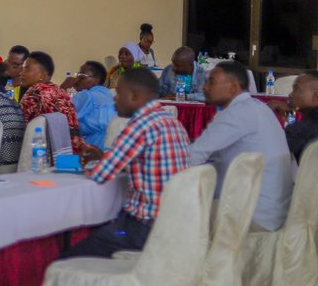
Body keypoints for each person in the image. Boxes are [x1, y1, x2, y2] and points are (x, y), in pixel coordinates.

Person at [68, 68, 191, 257]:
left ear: (134, 96)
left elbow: (101, 174)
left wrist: (90, 164)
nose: (114, 99)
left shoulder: (139, 126)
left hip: (142, 227)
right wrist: (103, 157)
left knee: (72, 256)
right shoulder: (172, 122)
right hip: (173, 222)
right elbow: (141, 162)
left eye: (119, 93)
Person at [190, 60, 294, 231]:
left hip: (253, 216)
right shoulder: (258, 108)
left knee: (180, 212)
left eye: (211, 82)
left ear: (233, 87)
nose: (204, 87)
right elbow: (213, 154)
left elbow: (193, 156)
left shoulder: (236, 113)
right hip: (271, 212)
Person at [19, 51, 86, 155]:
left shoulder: (35, 91)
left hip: (47, 155)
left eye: (27, 69)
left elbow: (20, 124)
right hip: (72, 152)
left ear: (42, 75)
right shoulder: (60, 91)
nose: (21, 73)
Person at [65, 61, 117, 149]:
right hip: (112, 146)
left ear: (96, 79)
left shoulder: (86, 95)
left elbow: (59, 112)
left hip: (95, 148)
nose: (77, 79)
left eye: (81, 76)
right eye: (77, 75)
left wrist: (64, 87)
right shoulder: (109, 94)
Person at [279, 71, 318, 163]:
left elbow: (278, 146)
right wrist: (290, 113)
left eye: (296, 89)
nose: (291, 95)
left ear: (316, 97)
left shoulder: (306, 128)